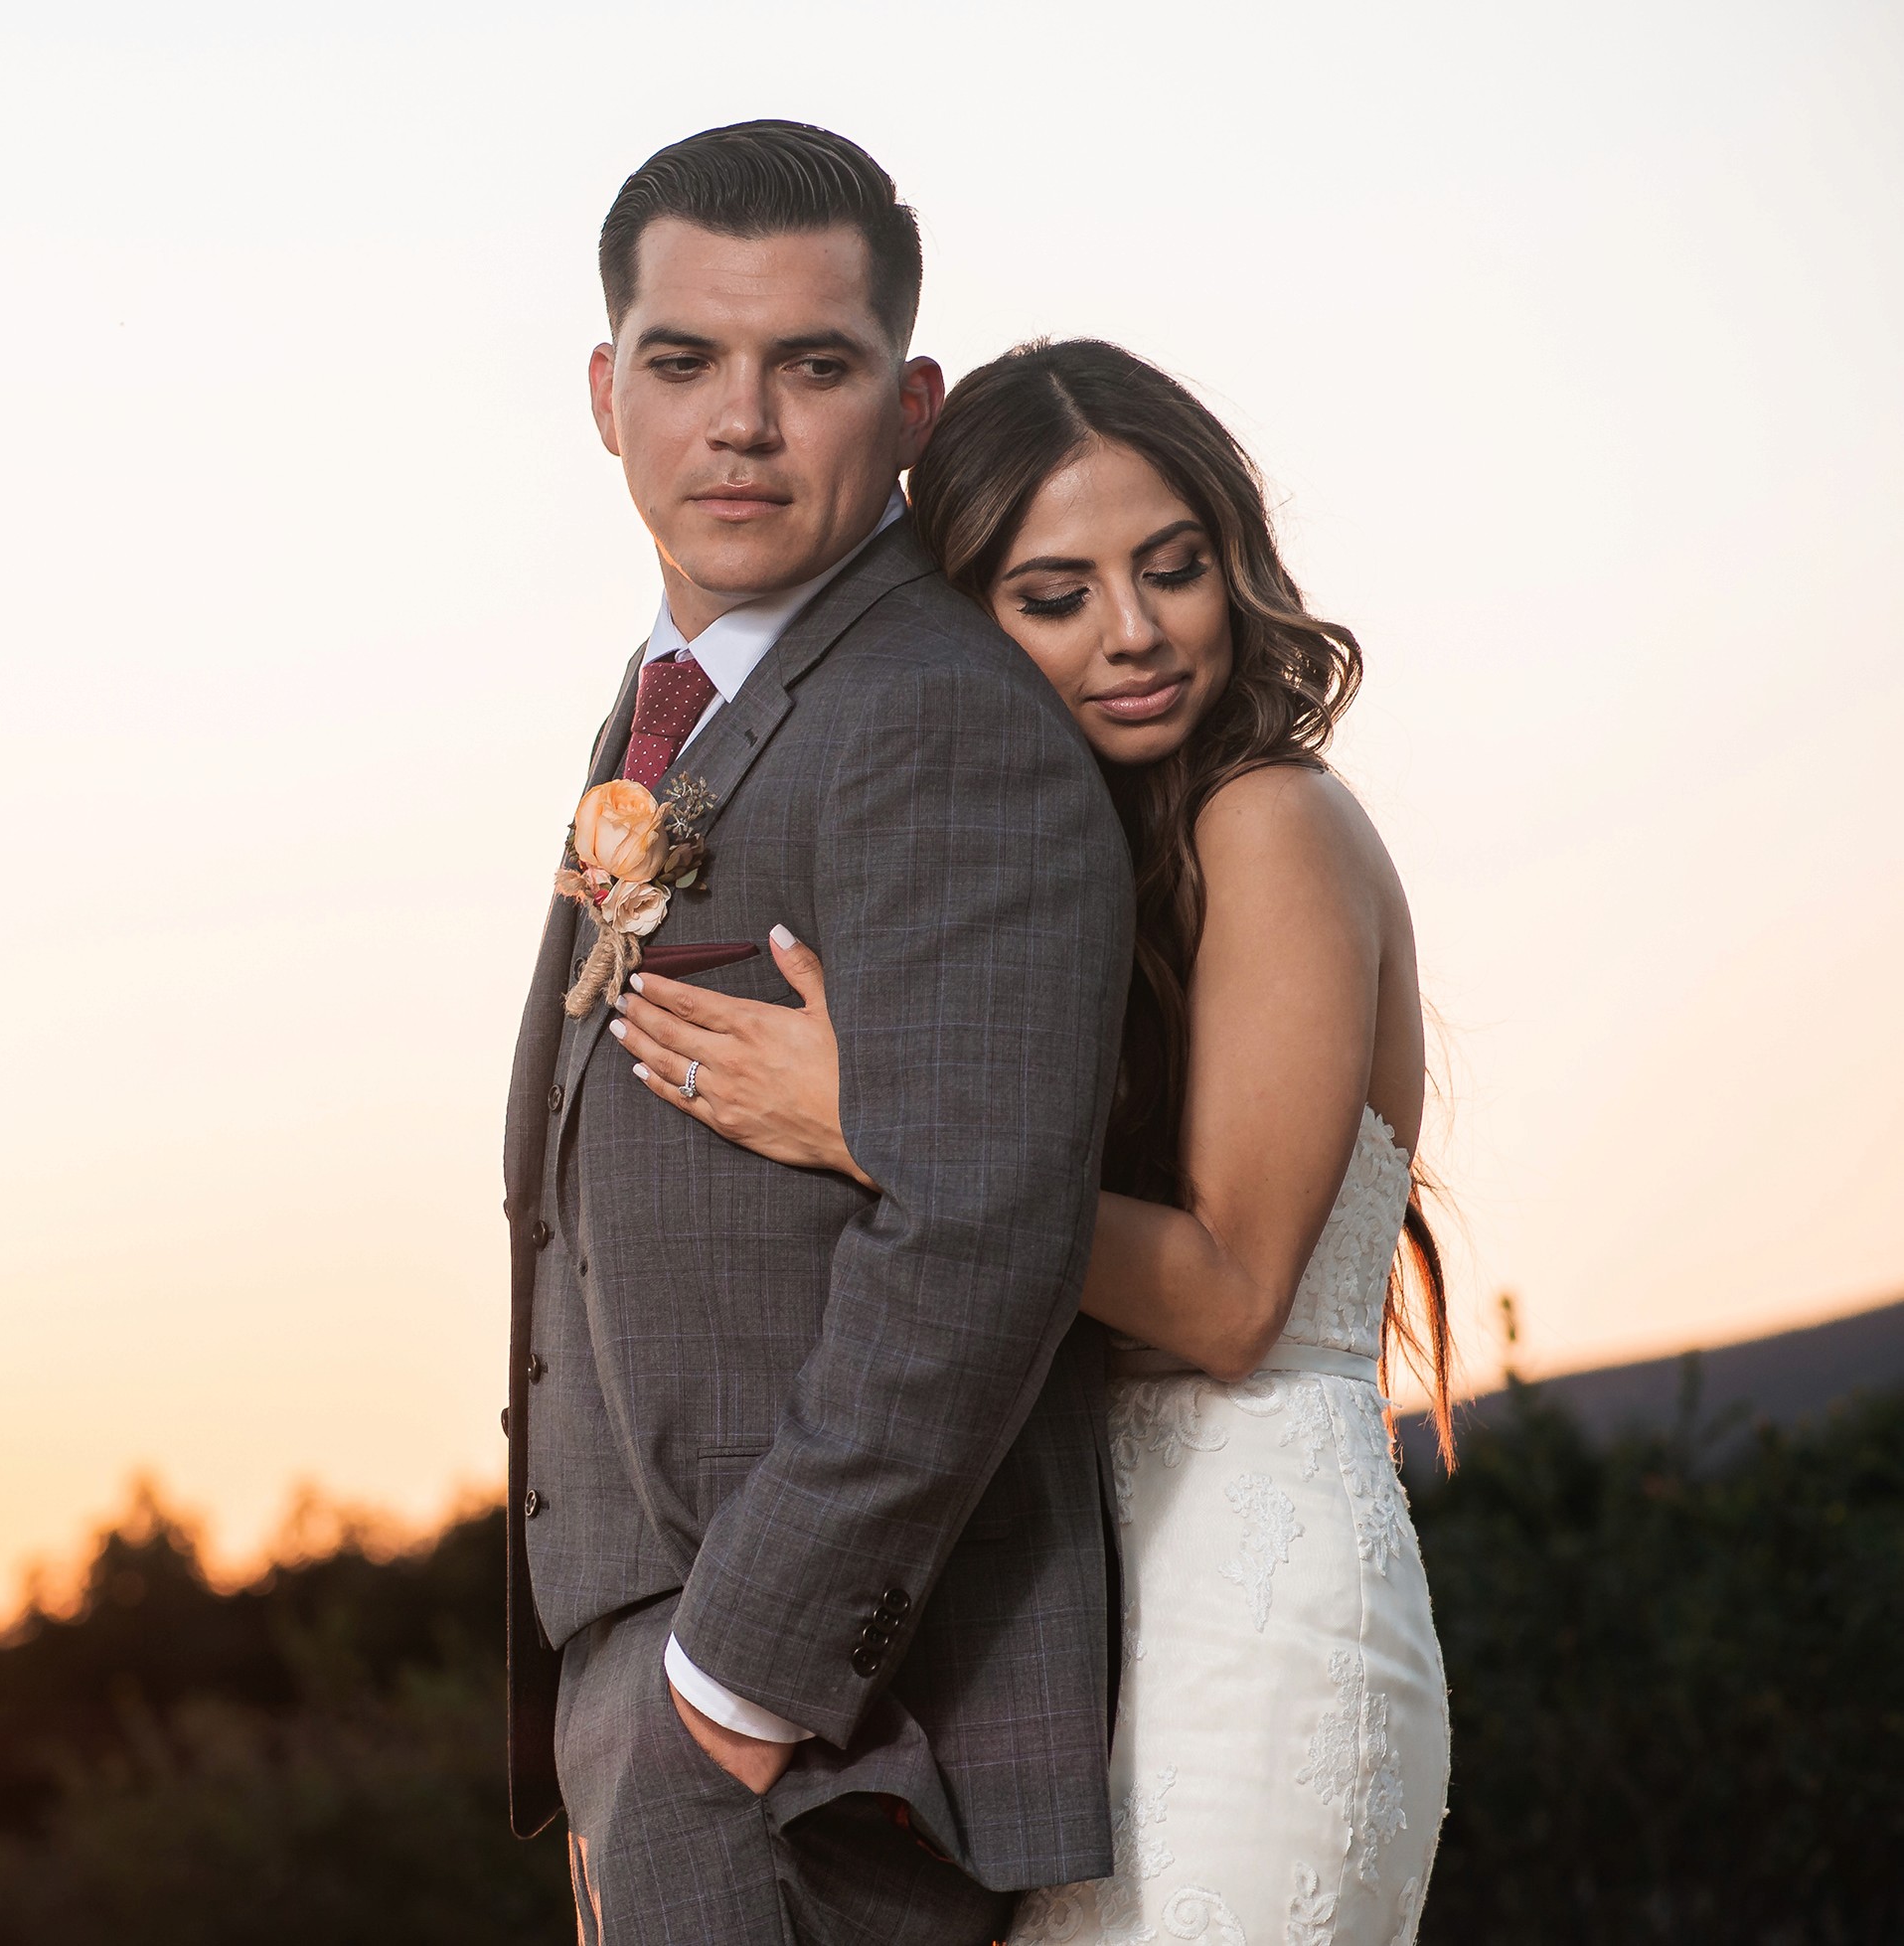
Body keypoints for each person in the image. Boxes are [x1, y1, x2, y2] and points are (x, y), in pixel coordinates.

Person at [611, 338, 1453, 1941]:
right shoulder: (1082, 873)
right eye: (1052, 596)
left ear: (1236, 564)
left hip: (1252, 1603)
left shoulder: (1265, 817)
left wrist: (881, 1127)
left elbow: (1225, 1292)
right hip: (1083, 1620)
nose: (1132, 634)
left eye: (1170, 569)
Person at [502, 123, 1133, 1942]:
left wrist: (736, 1685)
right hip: (661, 1689)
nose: (742, 422)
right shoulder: (668, 698)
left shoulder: (938, 718)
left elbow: (980, 1230)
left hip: (831, 1733)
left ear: (913, 401)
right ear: (606, 391)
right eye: (686, 361)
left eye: (816, 365)